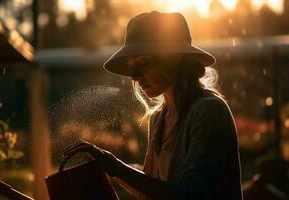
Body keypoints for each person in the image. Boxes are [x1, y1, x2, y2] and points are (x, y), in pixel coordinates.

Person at [64, 11, 243, 200]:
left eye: (143, 63)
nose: (135, 76)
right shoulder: (158, 119)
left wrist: (116, 168)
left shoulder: (208, 111)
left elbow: (191, 196)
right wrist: (111, 172)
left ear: (174, 59)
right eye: (132, 67)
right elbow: (151, 192)